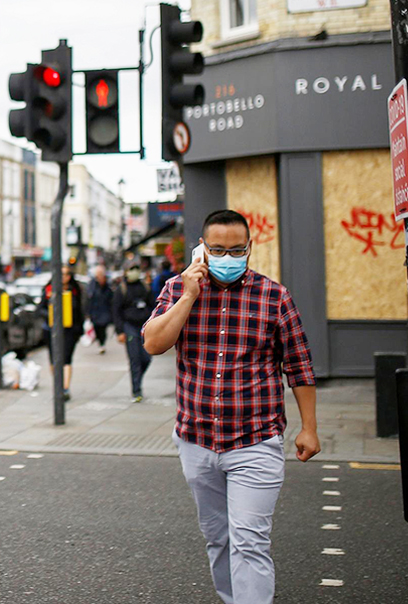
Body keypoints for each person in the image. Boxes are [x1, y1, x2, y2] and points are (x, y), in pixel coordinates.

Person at [142, 210, 320, 604]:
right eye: (219, 249)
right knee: (218, 537)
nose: (228, 257)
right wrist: (189, 295)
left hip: (255, 440)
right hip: (196, 440)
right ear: (202, 249)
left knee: (249, 540)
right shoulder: (178, 289)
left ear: (250, 248)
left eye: (237, 250)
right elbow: (153, 343)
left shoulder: (274, 296)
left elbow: (299, 366)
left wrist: (309, 428)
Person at [113, 262, 155, 402]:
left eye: (137, 269)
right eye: (132, 269)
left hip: (144, 326)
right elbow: (116, 311)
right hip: (129, 326)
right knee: (135, 358)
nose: (135, 272)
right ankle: (136, 390)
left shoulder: (145, 287)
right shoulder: (121, 289)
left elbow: (154, 305)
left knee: (146, 358)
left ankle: (137, 379)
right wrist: (120, 331)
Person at [45, 265, 84, 401]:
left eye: (67, 274)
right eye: (61, 274)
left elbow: (80, 310)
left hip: (70, 330)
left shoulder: (75, 290)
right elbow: (41, 309)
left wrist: (79, 329)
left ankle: (65, 388)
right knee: (54, 359)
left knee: (66, 358)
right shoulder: (48, 290)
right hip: (51, 330)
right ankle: (58, 386)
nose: (64, 277)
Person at [86, 265, 114, 355]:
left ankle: (102, 343)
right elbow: (88, 299)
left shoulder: (107, 286)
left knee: (103, 328)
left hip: (104, 311)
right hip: (95, 312)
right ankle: (100, 341)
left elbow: (111, 298)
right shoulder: (92, 285)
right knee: (97, 328)